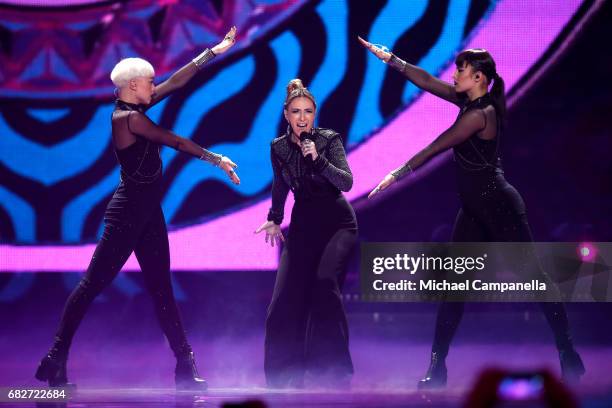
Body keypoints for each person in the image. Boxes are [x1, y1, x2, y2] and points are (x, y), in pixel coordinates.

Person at [358, 36, 585, 388]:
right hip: (473, 210)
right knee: (454, 286)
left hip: (500, 206)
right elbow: (428, 82)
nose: (454, 75)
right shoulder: (467, 102)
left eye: (461, 71)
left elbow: (436, 146)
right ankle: (437, 367)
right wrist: (389, 58)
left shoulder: (481, 114)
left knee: (535, 279)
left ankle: (567, 350)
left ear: (478, 77)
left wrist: (394, 174)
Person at [36, 27, 240, 391]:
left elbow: (176, 82)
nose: (153, 86)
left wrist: (216, 51)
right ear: (132, 87)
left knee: (162, 287)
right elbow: (174, 140)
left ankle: (184, 365)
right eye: (148, 83)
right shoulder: (127, 119)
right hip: (127, 212)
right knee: (91, 284)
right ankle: (55, 358)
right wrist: (216, 159)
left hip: (148, 213)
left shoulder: (137, 106)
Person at [254, 79, 357, 388]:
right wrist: (275, 217)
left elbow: (346, 183)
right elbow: (280, 183)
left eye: (308, 112)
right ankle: (284, 374)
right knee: (284, 298)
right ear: (286, 114)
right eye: (296, 112)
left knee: (325, 287)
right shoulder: (279, 146)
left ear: (315, 115)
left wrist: (317, 158)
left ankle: (334, 371)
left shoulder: (328, 140)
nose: (302, 118)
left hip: (337, 224)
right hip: (302, 225)